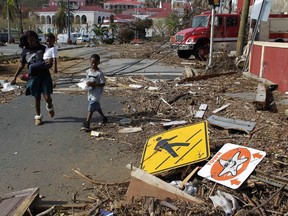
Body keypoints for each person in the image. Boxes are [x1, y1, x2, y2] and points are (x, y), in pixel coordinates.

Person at [11, 30, 56, 126]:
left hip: (45, 75)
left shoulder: (43, 48)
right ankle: (38, 116)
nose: (32, 41)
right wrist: (14, 77)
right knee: (37, 97)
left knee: (47, 97)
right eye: (30, 40)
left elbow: (50, 58)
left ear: (36, 38)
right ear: (27, 41)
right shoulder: (25, 52)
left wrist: (50, 62)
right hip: (33, 77)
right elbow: (21, 65)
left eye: (33, 39)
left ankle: (50, 105)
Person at [81, 54, 107, 131]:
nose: (93, 64)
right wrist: (85, 84)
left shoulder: (99, 73)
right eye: (92, 62)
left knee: (91, 107)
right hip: (90, 92)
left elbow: (103, 83)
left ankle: (87, 123)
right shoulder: (88, 71)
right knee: (96, 106)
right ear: (90, 62)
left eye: (95, 63)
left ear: (98, 62)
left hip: (97, 93)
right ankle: (103, 117)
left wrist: (95, 84)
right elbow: (87, 80)